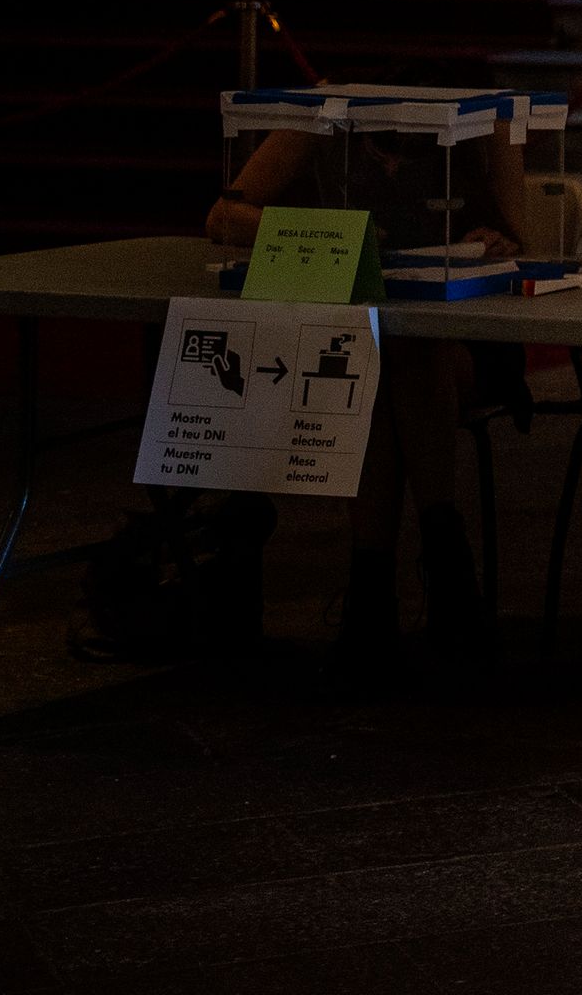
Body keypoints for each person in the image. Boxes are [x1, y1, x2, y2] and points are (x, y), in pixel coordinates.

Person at [205, 115, 531, 683]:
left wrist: (498, 240)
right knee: (383, 357)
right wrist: (329, 235)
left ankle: (371, 601)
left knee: (402, 352)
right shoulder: (324, 112)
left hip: (465, 330)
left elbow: (523, 241)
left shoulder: (485, 115)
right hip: (361, 335)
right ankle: (448, 575)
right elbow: (225, 217)